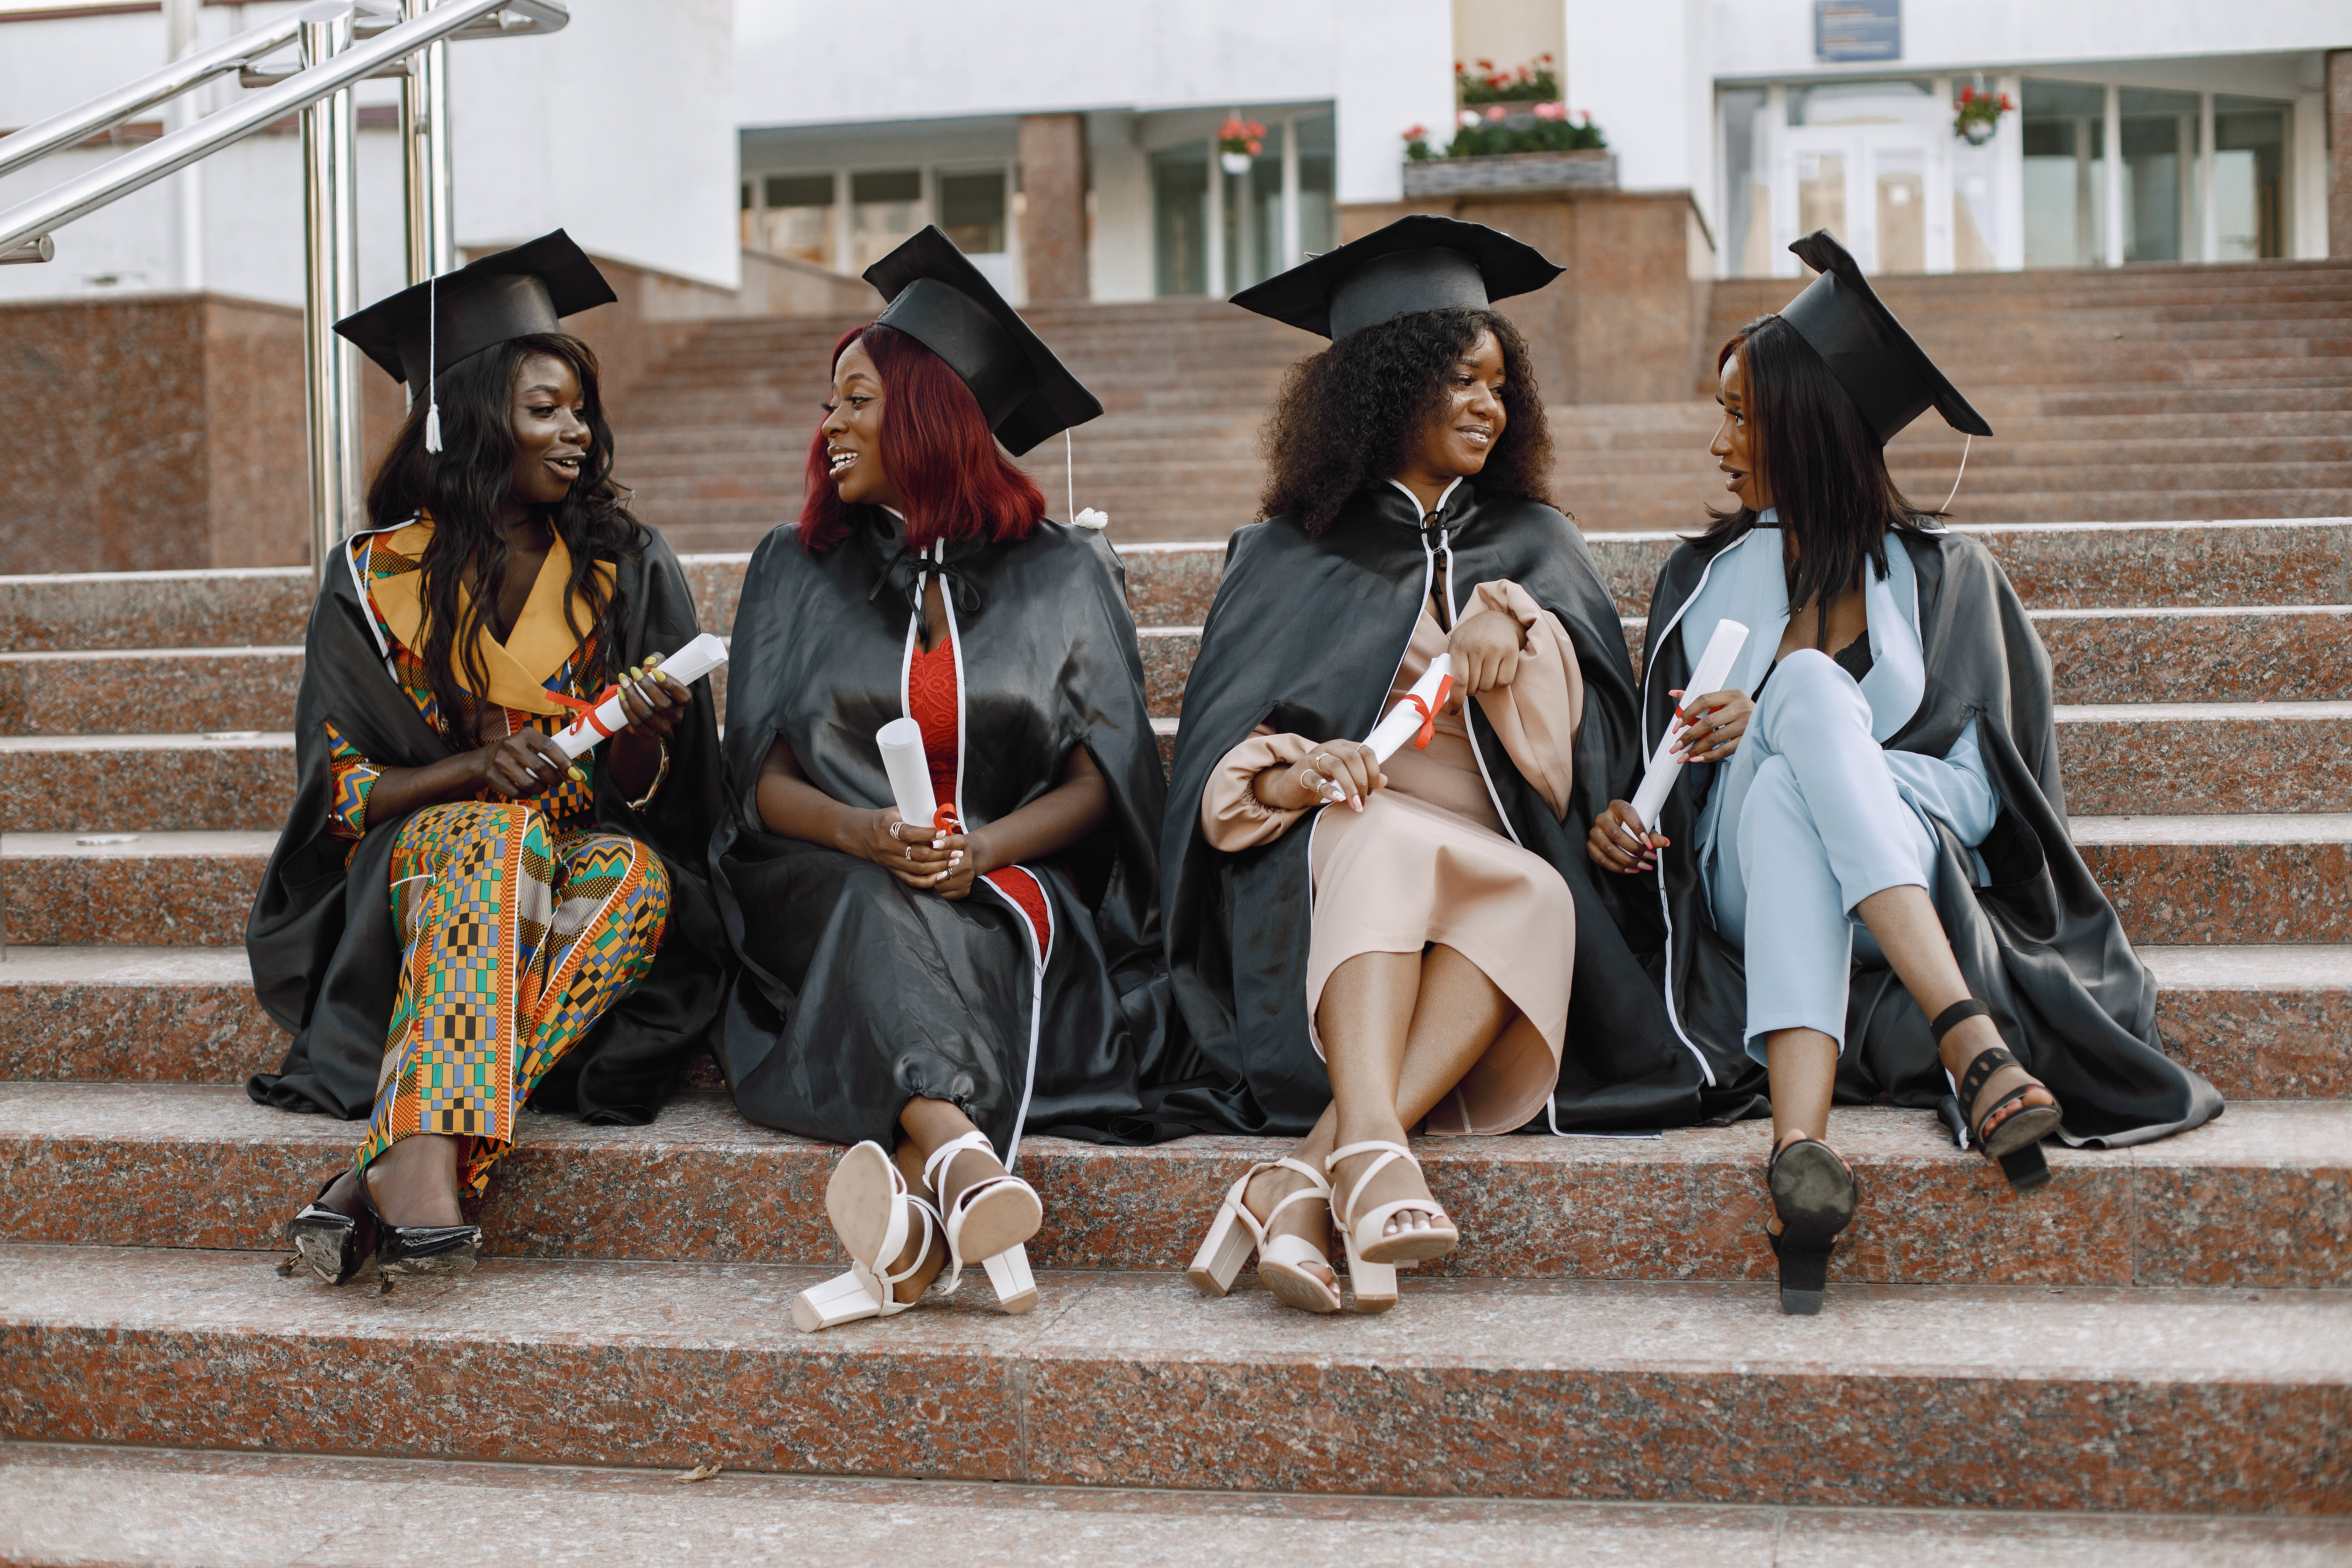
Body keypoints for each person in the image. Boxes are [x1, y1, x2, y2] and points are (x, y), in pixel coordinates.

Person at [1588, 230, 2224, 1315]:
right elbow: (1670, 786)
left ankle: (1800, 1152)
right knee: (1798, 708)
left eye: (1740, 415)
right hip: (1735, 889)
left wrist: (1809, 746)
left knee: (1799, 735)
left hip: (1901, 874)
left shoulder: (1948, 578)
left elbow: (1986, 800)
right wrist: (1628, 824)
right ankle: (1968, 1034)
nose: (1717, 444)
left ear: (1809, 426)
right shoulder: (1700, 579)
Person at [1160, 217, 1758, 1317]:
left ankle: (1303, 1176)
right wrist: (1306, 772)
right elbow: (1218, 775)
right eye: (1461, 383)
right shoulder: (1285, 553)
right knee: (1385, 836)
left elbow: (1581, 762)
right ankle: (1380, 1150)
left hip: (1493, 855)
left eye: (1499, 384)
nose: (1490, 406)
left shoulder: (1539, 543)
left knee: (1537, 897)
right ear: (1387, 392)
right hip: (1339, 860)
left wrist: (1517, 630)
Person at [714, 226, 1177, 1333]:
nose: (829, 428)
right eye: (830, 404)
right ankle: (969, 1165)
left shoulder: (1062, 571)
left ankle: (929, 1211)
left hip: (1009, 882)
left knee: (934, 905)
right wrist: (869, 835)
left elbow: (1099, 779)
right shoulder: (799, 566)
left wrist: (985, 851)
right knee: (886, 896)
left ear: (926, 413)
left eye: (857, 401)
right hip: (825, 878)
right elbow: (763, 783)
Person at [250, 232, 729, 1285]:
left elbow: (662, 801)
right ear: (471, 421)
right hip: (408, 889)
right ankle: (425, 1162)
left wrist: (645, 738)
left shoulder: (625, 562)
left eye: (580, 410)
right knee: (488, 829)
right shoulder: (372, 583)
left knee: (638, 881)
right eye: (544, 409)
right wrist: (471, 771)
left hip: (566, 873)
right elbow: (339, 794)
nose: (577, 433)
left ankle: (400, 1155)